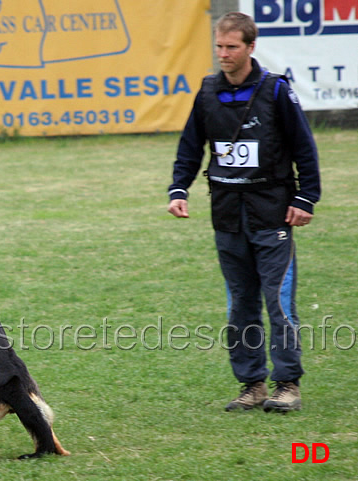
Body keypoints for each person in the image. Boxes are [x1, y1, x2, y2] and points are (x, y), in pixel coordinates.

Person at [167, 12, 321, 413]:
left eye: (232, 47)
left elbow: (304, 147)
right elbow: (190, 146)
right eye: (219, 46)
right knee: (240, 304)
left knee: (278, 301)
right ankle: (251, 384)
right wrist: (179, 188)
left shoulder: (275, 91)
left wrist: (306, 199)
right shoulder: (207, 91)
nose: (223, 54)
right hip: (227, 216)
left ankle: (287, 384)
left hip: (273, 215)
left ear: (251, 47)